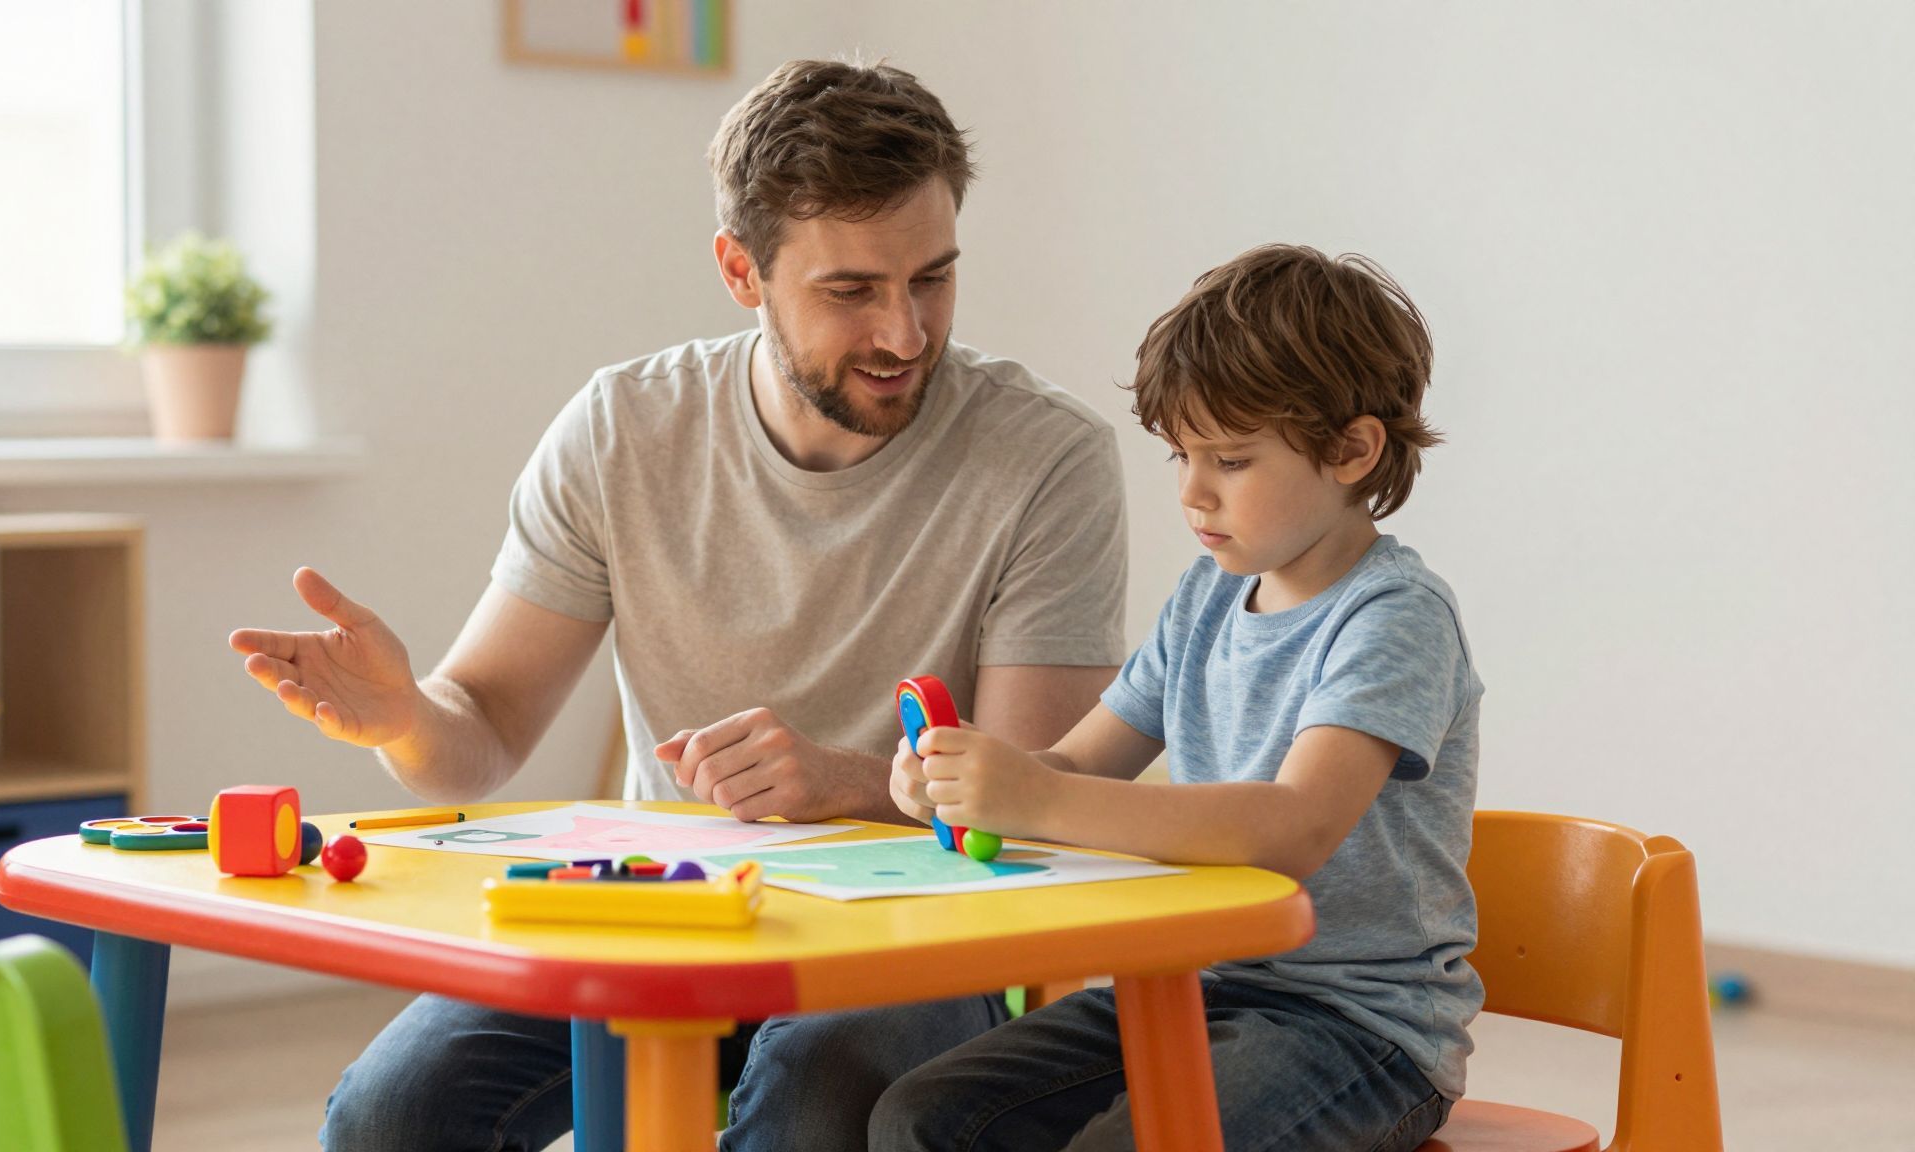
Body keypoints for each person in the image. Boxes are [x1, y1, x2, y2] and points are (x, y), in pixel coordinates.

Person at [229, 58, 1128, 1151]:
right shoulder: (622, 430)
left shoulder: (1047, 459)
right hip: (660, 909)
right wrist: (406, 720)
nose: (904, 333)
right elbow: (480, 737)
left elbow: (1030, 800)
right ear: (740, 271)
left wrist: (842, 780)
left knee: (812, 1098)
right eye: (850, 291)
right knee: (390, 1114)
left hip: (916, 936)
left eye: (932, 278)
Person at [873, 244, 1483, 1151]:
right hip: (1191, 988)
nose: (1193, 493)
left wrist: (1039, 797)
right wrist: (968, 780)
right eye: (1181, 455)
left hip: (1359, 1029)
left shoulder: (1395, 618)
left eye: (1231, 460)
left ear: (1353, 451)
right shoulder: (1206, 597)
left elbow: (1293, 828)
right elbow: (1078, 763)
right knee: (924, 1119)